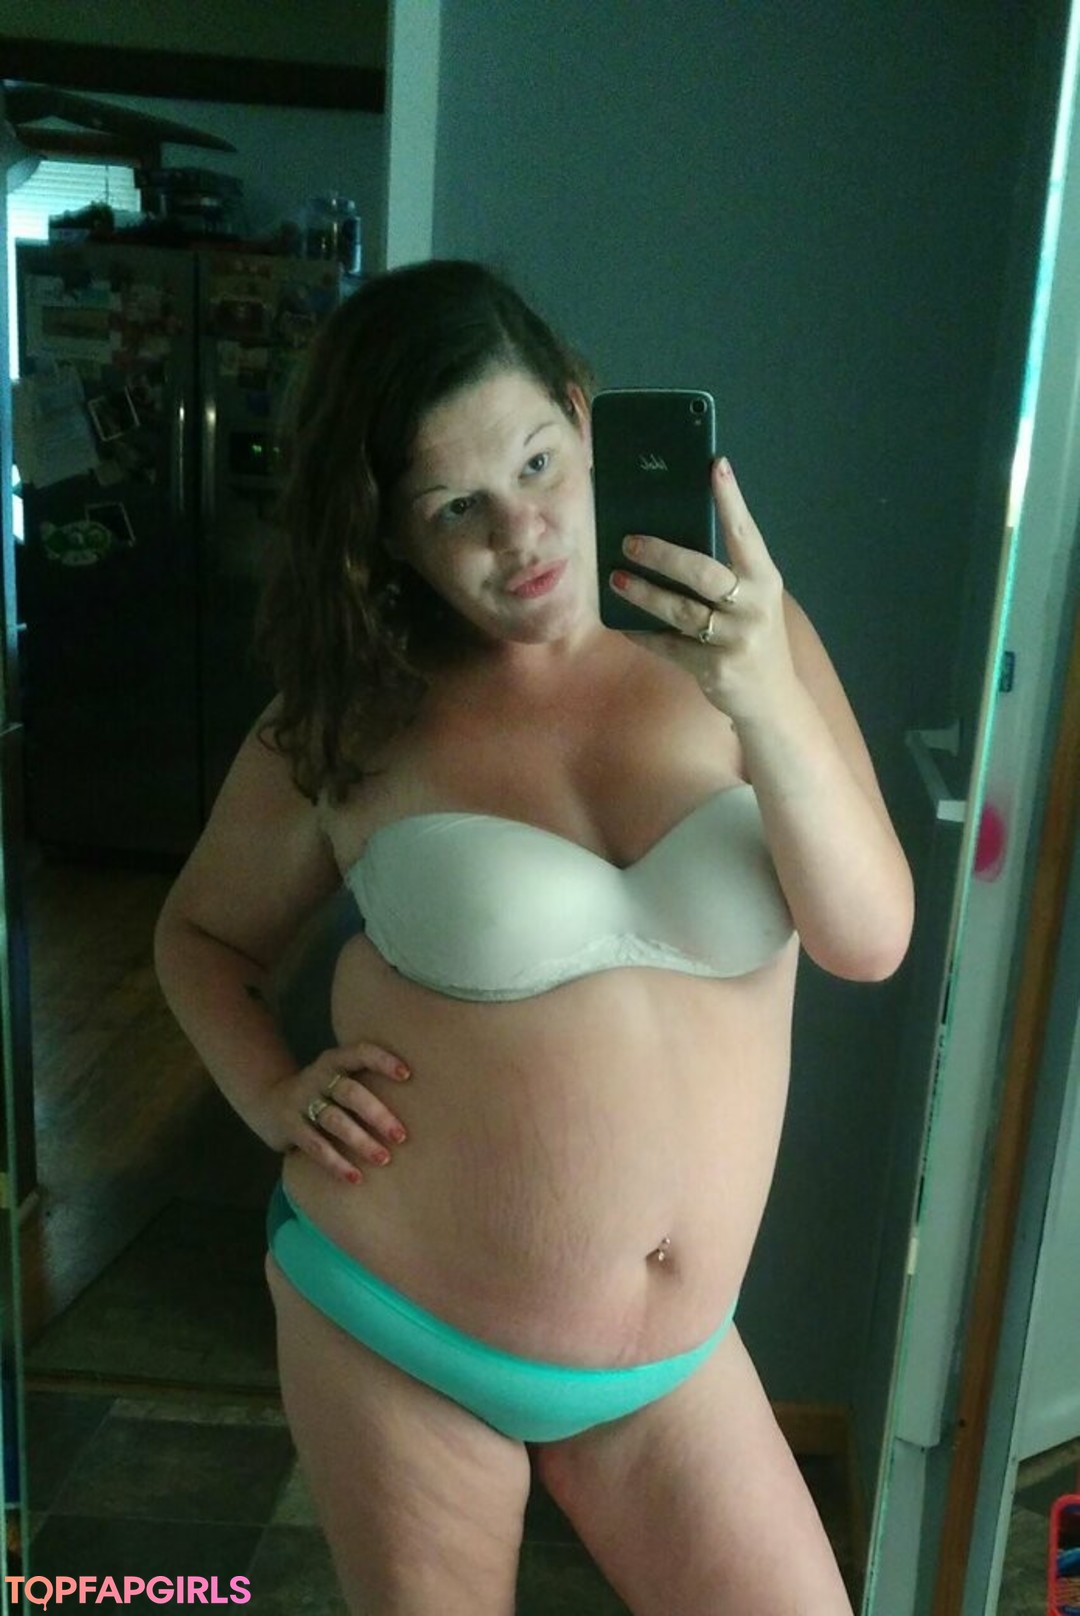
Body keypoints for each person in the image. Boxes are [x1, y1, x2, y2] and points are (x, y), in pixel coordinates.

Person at [154, 259, 913, 1616]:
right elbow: (200, 937)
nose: (522, 535)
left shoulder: (750, 636)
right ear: (390, 535)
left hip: (675, 1366)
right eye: (457, 508)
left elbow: (868, 940)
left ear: (580, 409)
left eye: (538, 463)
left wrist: (762, 700)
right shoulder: (351, 711)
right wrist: (270, 1094)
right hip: (398, 1328)